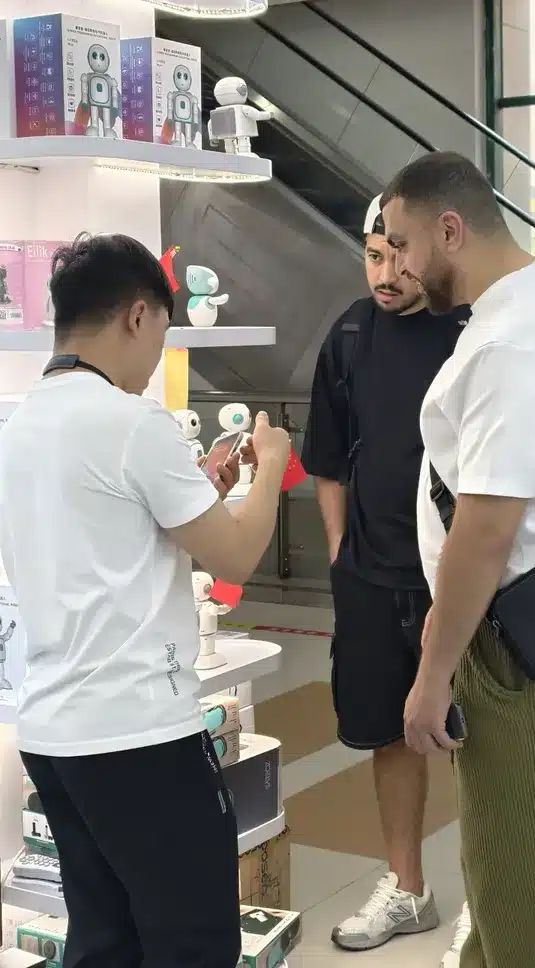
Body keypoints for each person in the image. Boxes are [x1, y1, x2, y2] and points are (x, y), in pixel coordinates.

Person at [0, 233, 291, 968]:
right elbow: (235, 554)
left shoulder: (21, 424)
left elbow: (107, 534)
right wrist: (271, 473)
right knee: (192, 941)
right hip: (138, 736)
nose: (155, 355)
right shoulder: (132, 423)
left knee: (106, 939)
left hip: (54, 734)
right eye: (161, 333)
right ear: (137, 317)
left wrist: (203, 488)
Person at [380, 152, 535, 968]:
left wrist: (432, 672)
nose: (403, 268)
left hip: (519, 645)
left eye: (406, 244)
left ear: (451, 229)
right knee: (515, 864)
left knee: (525, 883)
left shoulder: (510, 341)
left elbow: (486, 527)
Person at [301, 196, 471, 960]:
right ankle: (408, 890)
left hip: (456, 576)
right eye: (374, 255)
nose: (387, 272)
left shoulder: (468, 331)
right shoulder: (345, 335)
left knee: (482, 740)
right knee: (389, 736)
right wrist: (340, 552)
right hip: (371, 575)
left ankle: (491, 897)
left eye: (400, 254)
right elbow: (327, 460)